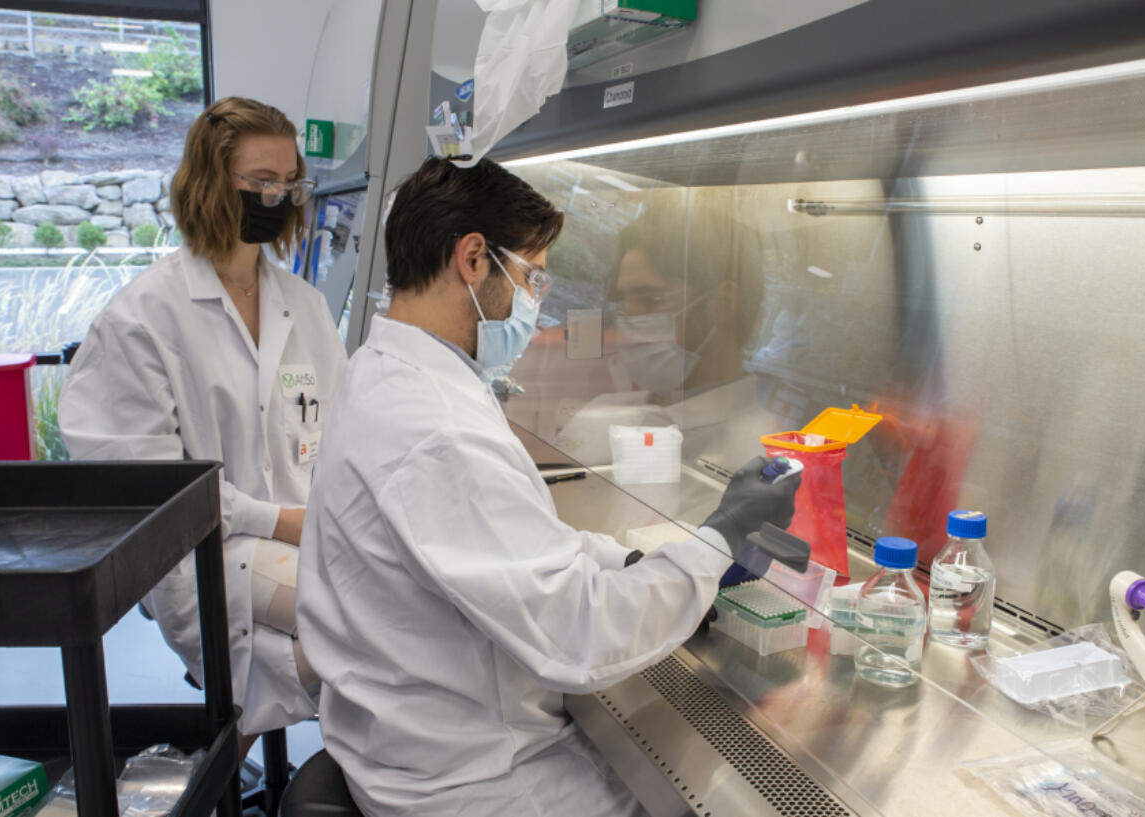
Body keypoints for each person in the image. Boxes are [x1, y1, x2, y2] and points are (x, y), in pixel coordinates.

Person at [297, 157, 799, 817]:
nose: (536, 300)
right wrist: (716, 543)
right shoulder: (437, 427)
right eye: (532, 276)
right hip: (479, 782)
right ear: (473, 259)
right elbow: (578, 633)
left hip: (409, 746)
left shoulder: (385, 371)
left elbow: (527, 549)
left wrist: (633, 562)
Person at [59, 97, 348, 751]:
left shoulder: (303, 306)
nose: (277, 196)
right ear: (212, 183)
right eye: (260, 183)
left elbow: (342, 432)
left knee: (374, 626)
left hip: (313, 537)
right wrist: (279, 520)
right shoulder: (145, 318)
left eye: (287, 183)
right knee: (359, 625)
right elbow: (143, 485)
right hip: (204, 555)